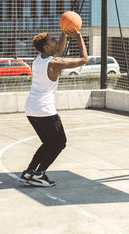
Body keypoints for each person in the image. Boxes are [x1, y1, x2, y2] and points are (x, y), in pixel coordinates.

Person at [19, 28, 88, 187]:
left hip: (31, 109)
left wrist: (64, 32)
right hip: (44, 110)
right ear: (46, 47)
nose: (55, 40)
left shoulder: (38, 60)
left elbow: (59, 50)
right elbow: (84, 59)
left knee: (48, 143)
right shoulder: (55, 63)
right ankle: (39, 174)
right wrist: (78, 37)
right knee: (59, 143)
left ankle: (29, 172)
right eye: (52, 40)